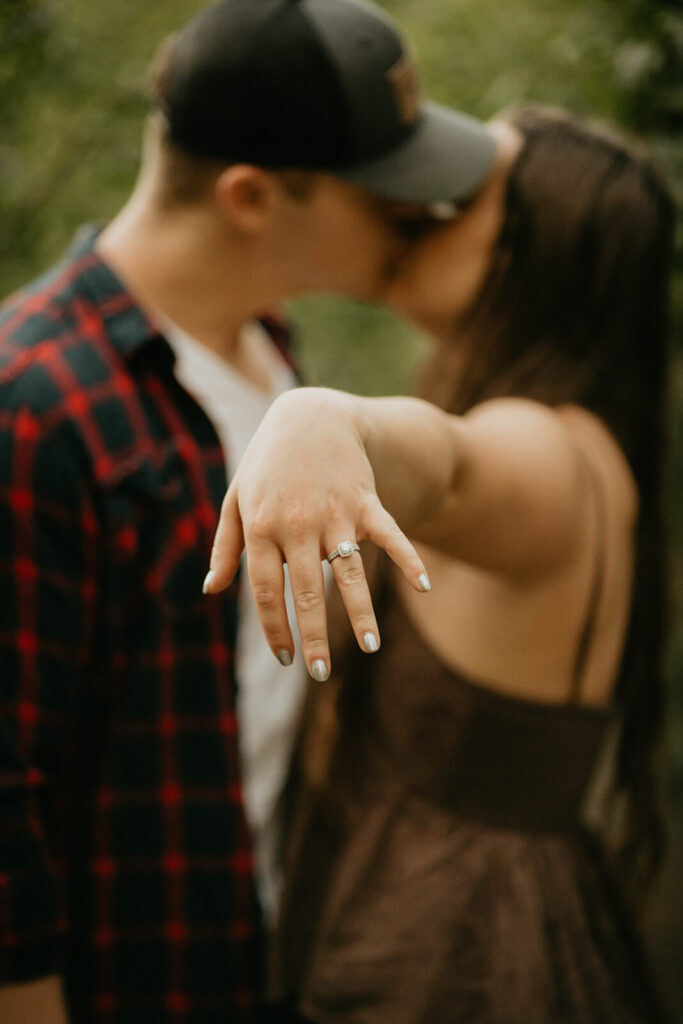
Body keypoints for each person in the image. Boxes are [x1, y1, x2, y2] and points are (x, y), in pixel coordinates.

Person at [0, 1, 500, 1020]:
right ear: (249, 194)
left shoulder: (273, 360)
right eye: (387, 195)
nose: (418, 216)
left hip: (264, 962)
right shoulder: (33, 405)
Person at [205, 105, 675, 1022]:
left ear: (530, 258)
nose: (414, 209)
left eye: (458, 201)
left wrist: (326, 418)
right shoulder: (587, 446)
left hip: (449, 963)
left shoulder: (543, 450)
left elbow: (450, 466)